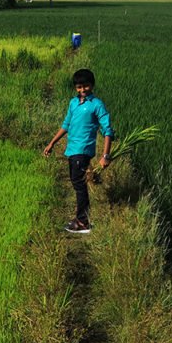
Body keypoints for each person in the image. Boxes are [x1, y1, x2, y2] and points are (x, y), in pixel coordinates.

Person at [42, 68, 115, 234]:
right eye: (79, 87)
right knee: (77, 183)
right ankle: (82, 219)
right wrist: (52, 143)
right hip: (72, 149)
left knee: (79, 185)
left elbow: (107, 130)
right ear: (75, 87)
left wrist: (105, 155)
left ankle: (83, 222)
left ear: (92, 85)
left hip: (83, 150)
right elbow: (66, 124)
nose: (82, 90)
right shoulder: (73, 103)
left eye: (86, 86)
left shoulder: (96, 104)